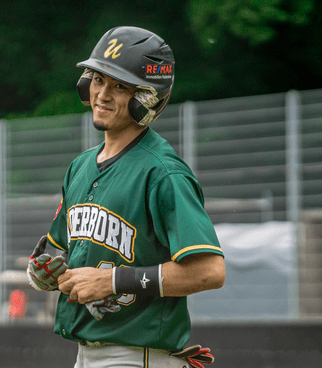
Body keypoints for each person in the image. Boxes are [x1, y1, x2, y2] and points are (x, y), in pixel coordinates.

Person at [27, 26, 226, 368]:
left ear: (147, 97)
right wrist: (43, 274)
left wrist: (112, 280)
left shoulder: (162, 172)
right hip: (86, 355)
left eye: (120, 86)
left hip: (138, 357)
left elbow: (209, 271)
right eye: (98, 79)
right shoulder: (80, 167)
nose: (102, 94)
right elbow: (59, 251)